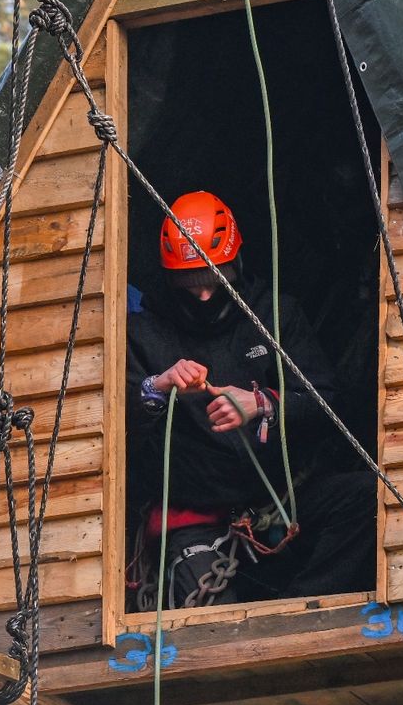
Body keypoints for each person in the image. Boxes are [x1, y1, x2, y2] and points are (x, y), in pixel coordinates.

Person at [126, 190, 376, 608]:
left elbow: (328, 405)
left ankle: (301, 615)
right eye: (190, 283)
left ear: (235, 262)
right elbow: (115, 432)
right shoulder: (143, 334)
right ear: (170, 277)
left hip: (285, 499)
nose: (203, 296)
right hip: (197, 517)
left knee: (367, 496)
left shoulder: (276, 315)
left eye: (212, 278)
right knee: (203, 610)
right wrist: (157, 386)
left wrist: (265, 405)